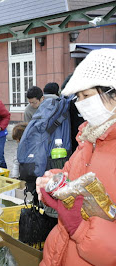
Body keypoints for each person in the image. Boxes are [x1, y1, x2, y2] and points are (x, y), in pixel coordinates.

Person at [36, 48, 116, 266]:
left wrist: (80, 229)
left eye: (87, 96)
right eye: (78, 98)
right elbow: (71, 175)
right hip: (61, 252)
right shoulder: (89, 138)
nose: (81, 104)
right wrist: (53, 181)